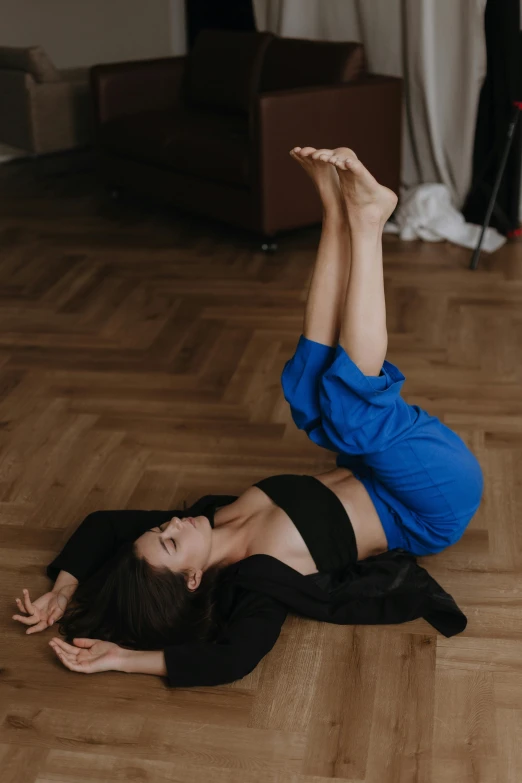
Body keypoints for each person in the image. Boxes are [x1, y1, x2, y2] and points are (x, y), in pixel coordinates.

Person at [12, 147, 484, 687]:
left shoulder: (215, 519)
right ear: (192, 578)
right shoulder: (260, 579)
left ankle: (334, 210)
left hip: (375, 469)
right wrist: (120, 658)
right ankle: (371, 220)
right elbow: (235, 658)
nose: (169, 523)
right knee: (353, 416)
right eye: (169, 540)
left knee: (307, 394)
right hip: (430, 502)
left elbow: (101, 525)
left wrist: (65, 590)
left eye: (158, 528)